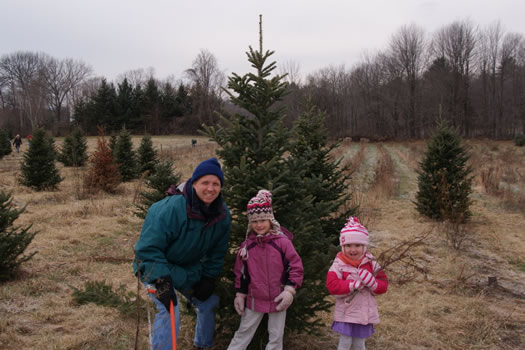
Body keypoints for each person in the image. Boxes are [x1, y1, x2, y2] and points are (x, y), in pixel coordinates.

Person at [133, 157, 231, 350]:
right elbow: (147, 249)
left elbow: (218, 251)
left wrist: (209, 278)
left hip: (186, 268)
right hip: (154, 266)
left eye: (216, 184)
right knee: (169, 308)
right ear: (194, 183)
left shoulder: (221, 214)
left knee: (209, 301)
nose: (210, 188)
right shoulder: (170, 209)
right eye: (205, 183)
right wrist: (161, 280)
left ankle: (202, 345)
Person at [227, 189, 304, 350]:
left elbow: (295, 266)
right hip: (254, 299)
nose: (259, 225)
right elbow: (240, 272)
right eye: (254, 221)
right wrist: (240, 294)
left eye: (263, 220)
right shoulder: (247, 246)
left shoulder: (282, 242)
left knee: (276, 335)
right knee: (244, 331)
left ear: (270, 220)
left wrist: (289, 290)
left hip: (279, 299)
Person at [326, 217, 388, 350]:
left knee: (360, 344)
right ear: (343, 246)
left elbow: (383, 285)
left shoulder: (371, 263)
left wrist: (373, 283)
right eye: (348, 245)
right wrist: (351, 285)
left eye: (357, 245)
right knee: (345, 343)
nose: (353, 250)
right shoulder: (338, 264)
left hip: (363, 313)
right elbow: (332, 286)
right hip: (346, 312)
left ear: (364, 246)